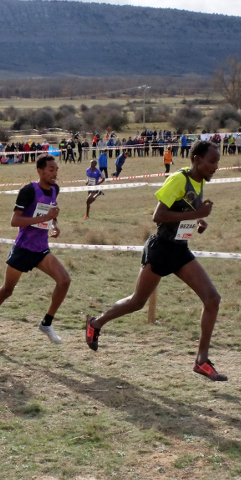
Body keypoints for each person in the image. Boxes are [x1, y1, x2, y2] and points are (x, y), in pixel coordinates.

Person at [85, 141, 226, 381]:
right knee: (137, 302)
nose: (215, 167)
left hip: (180, 250)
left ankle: (201, 361)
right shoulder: (179, 179)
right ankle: (96, 323)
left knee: (212, 298)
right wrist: (197, 214)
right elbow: (158, 216)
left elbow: (183, 213)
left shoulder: (199, 181)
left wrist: (197, 223)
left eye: (217, 163)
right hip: (161, 249)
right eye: (212, 162)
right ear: (197, 160)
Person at [0, 154, 70, 347]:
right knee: (7, 290)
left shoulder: (55, 189)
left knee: (64, 281)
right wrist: (42, 217)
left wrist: (54, 224)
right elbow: (14, 221)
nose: (55, 173)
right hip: (23, 248)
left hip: (41, 249)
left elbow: (51, 210)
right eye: (51, 169)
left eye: (56, 169)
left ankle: (47, 323)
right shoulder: (28, 190)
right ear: (40, 171)